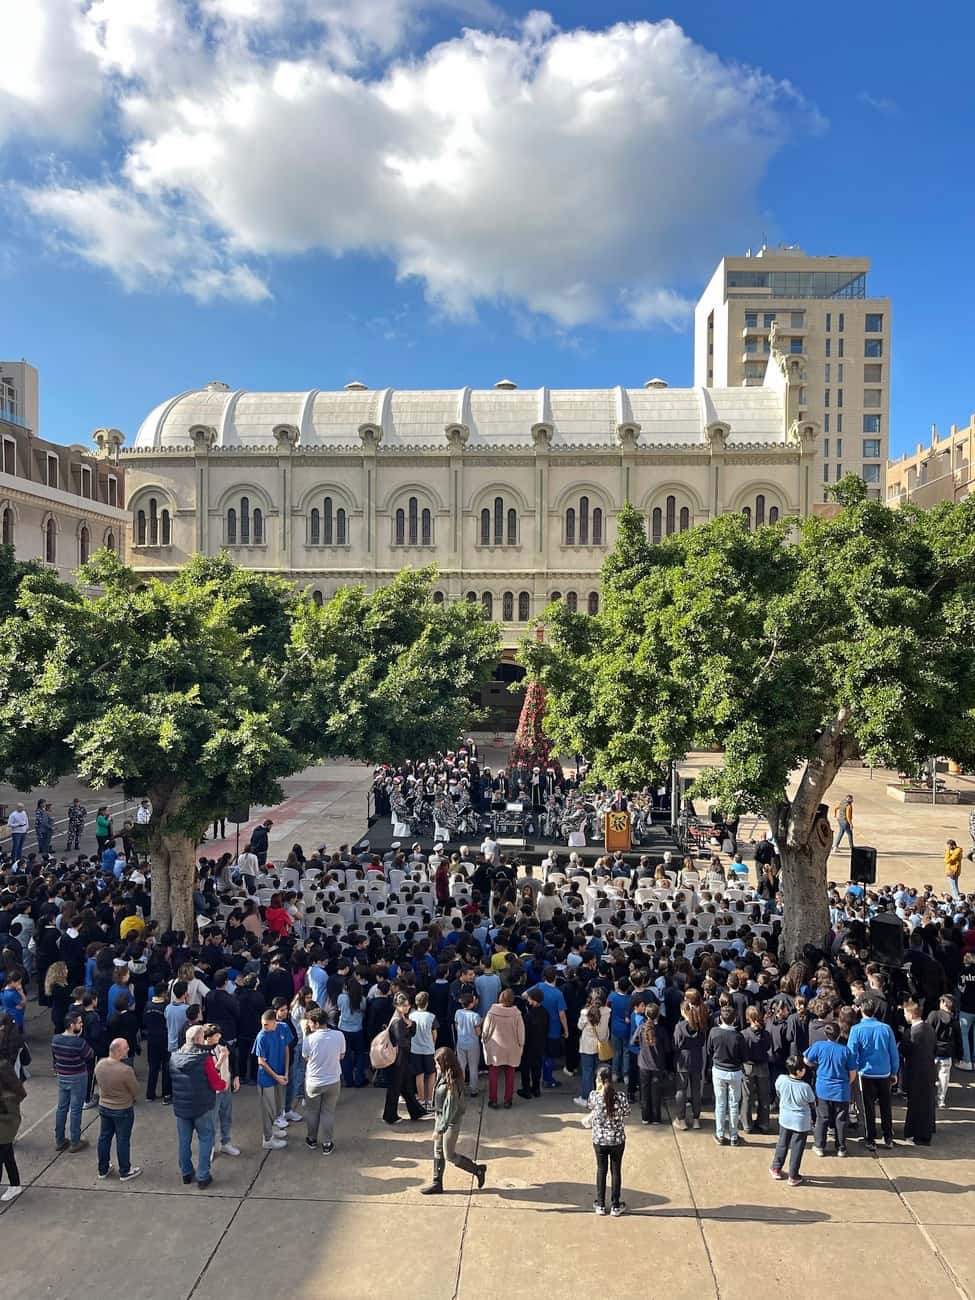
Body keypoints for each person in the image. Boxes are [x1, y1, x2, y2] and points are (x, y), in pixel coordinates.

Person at [420, 1046, 487, 1195]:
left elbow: (450, 1109)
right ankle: (437, 1183)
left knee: (449, 1154)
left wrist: (440, 1129)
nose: (435, 1066)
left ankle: (477, 1170)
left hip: (450, 1122)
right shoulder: (442, 1074)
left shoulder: (452, 1083)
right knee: (438, 1150)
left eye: (437, 1063)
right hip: (440, 1117)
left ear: (445, 1063)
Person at [169, 1023, 226, 1187]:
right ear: (200, 1039)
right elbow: (216, 1084)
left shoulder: (174, 1057)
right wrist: (223, 1084)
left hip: (181, 1107)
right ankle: (203, 1176)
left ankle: (186, 1173)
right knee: (206, 1138)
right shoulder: (204, 1058)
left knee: (184, 1141)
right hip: (202, 1106)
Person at [848, 995, 899, 1152]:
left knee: (868, 1107)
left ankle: (870, 1139)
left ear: (862, 1010)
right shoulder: (886, 1028)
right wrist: (894, 1071)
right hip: (884, 1073)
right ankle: (888, 1136)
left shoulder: (856, 1030)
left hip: (866, 1074)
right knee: (885, 1106)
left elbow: (851, 1053)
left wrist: (853, 1071)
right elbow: (893, 1052)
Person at [805, 1022, 857, 1157]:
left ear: (825, 1034)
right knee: (841, 1120)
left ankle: (819, 1146)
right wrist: (846, 1083)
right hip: (841, 1090)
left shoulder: (819, 1046)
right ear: (839, 1034)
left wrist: (815, 1065)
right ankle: (841, 1148)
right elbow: (852, 1072)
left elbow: (806, 1060)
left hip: (823, 1089)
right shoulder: (846, 1051)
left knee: (822, 1117)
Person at [93, 1036, 142, 1181]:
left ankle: (103, 1169)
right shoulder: (125, 1070)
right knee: (123, 1140)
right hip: (122, 1109)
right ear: (119, 1051)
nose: (128, 1049)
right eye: (126, 1047)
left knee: (104, 1137)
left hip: (104, 1106)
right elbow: (136, 1090)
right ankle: (125, 1170)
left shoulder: (100, 1065)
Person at [585, 1065, 630, 1217]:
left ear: (601, 1080)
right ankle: (616, 1205)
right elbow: (627, 1112)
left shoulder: (594, 1096)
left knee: (601, 1170)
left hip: (599, 1140)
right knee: (616, 1171)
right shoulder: (621, 1097)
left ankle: (600, 1204)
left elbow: (589, 1107)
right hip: (617, 1140)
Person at [302, 1007, 344, 1154]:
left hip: (313, 1082)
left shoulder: (309, 1039)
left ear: (316, 1023)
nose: (308, 1024)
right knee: (328, 1112)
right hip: (333, 1080)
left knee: (312, 1112)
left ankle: (312, 1139)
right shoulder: (339, 1035)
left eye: (310, 1022)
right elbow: (341, 1055)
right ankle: (327, 1143)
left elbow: (306, 1058)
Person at [770, 1055, 816, 1186]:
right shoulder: (805, 1087)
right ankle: (793, 1176)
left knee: (782, 1144)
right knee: (797, 1148)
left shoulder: (781, 1080)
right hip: (800, 1122)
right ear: (800, 1071)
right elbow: (812, 1102)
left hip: (785, 1118)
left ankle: (776, 1168)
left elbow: (778, 1092)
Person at [52, 1011, 94, 1153]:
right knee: (75, 1109)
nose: (82, 1025)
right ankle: (75, 1141)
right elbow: (90, 1055)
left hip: (62, 1075)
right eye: (79, 1023)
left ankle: (60, 1139)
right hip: (77, 1077)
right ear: (72, 1025)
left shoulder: (56, 1039)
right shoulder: (79, 1043)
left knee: (62, 1107)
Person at [383, 993, 427, 1124]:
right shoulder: (397, 1021)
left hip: (402, 1059)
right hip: (398, 1059)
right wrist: (409, 1028)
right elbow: (403, 1041)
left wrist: (411, 1025)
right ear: (397, 1006)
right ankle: (390, 1115)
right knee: (396, 1087)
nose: (408, 1007)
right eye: (405, 1005)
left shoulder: (402, 1018)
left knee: (406, 1086)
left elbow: (411, 1034)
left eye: (408, 1005)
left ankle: (416, 1111)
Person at [481, 988, 525, 1110]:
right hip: (512, 1048)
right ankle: (508, 1101)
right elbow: (521, 1034)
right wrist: (521, 1045)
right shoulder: (517, 1014)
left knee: (493, 1074)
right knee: (510, 1075)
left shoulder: (492, 1013)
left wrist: (484, 1041)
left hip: (495, 1049)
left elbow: (485, 1031)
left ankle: (493, 1100)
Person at [707, 1005, 745, 1146]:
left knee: (720, 1103)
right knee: (734, 1105)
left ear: (720, 1018)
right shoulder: (738, 1036)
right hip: (735, 1072)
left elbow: (709, 1050)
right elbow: (744, 1056)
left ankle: (720, 1134)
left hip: (719, 1070)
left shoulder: (714, 1032)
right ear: (735, 1019)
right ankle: (734, 1136)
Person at [254, 1008, 291, 1149]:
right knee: (267, 1109)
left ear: (275, 1022)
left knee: (277, 1107)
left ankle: (274, 1129)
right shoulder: (261, 1036)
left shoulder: (283, 1028)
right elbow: (261, 1061)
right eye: (263, 1024)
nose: (264, 1027)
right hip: (267, 1079)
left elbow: (286, 1049)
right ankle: (267, 1139)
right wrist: (276, 1076)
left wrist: (286, 1072)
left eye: (267, 1025)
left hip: (280, 1076)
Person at [901, 1001, 937, 1145]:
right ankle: (926, 1131)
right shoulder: (929, 1028)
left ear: (910, 1014)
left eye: (905, 1013)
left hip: (915, 1072)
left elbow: (904, 1050)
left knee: (915, 1104)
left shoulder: (912, 1033)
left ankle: (916, 1134)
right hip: (928, 1070)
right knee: (927, 1103)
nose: (904, 1015)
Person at [204, 1023, 240, 1158]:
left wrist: (235, 1076)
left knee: (226, 1116)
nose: (219, 1036)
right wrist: (221, 1059)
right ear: (208, 1038)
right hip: (212, 1092)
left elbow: (234, 1059)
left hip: (225, 1086)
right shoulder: (203, 1051)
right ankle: (210, 1147)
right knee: (211, 1121)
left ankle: (226, 1142)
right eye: (216, 1035)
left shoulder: (223, 1045)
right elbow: (210, 1073)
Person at [672, 995, 707, 1131]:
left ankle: (681, 1119)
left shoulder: (680, 1026)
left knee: (681, 1089)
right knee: (696, 1090)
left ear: (683, 1011)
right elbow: (703, 1041)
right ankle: (696, 1119)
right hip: (697, 1058)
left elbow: (675, 1044)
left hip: (682, 1060)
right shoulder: (700, 1025)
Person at [575, 989, 611, 1108]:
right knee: (600, 1073)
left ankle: (586, 1098)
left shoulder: (585, 1013)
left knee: (587, 1072)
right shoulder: (607, 1011)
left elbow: (580, 1026)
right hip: (601, 1045)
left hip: (587, 1046)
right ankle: (600, 1097)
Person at [635, 1003, 669, 1125]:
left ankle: (645, 1117)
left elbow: (633, 1041)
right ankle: (656, 1117)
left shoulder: (641, 1028)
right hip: (657, 1065)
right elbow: (667, 1048)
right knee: (656, 1092)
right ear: (657, 1015)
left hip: (644, 1064)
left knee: (644, 1091)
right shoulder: (661, 1030)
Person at [928, 994, 962, 1107]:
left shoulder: (934, 1015)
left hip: (932, 1051)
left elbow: (926, 1031)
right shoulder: (954, 1021)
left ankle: (928, 1097)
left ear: (943, 1003)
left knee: (929, 1076)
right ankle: (941, 1100)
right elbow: (958, 1040)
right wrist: (959, 1056)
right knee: (944, 1077)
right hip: (946, 1053)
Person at [0, 1059, 26, 1200]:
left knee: (3, 1154)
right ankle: (15, 1185)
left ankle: (15, 1185)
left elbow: (19, 1094)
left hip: (5, 1125)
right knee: (8, 1155)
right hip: (6, 1125)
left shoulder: (8, 1098)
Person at [410, 990, 439, 1109]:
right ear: (427, 1003)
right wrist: (432, 1044)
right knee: (431, 1074)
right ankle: (430, 1099)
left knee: (419, 1075)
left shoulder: (411, 1016)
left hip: (415, 1049)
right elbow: (434, 1034)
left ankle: (421, 1099)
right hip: (428, 1049)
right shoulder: (431, 1017)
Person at [517, 987, 547, 1100]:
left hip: (528, 1046)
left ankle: (526, 1090)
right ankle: (536, 1088)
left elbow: (525, 1031)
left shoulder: (529, 1015)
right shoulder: (545, 1012)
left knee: (525, 1068)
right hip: (540, 1045)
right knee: (537, 1067)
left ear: (533, 1000)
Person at [144, 983, 171, 1102]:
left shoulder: (148, 1005)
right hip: (164, 1038)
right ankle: (166, 1094)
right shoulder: (166, 1006)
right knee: (166, 1066)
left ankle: (150, 1094)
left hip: (151, 1038)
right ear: (164, 993)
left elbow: (144, 1021)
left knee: (153, 1066)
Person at [453, 990, 483, 1097]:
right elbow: (478, 1032)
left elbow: (457, 1027)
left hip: (461, 1043)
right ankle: (473, 1089)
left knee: (461, 1066)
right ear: (471, 1003)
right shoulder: (475, 1016)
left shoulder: (457, 1012)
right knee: (473, 1067)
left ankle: (460, 1088)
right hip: (473, 1044)